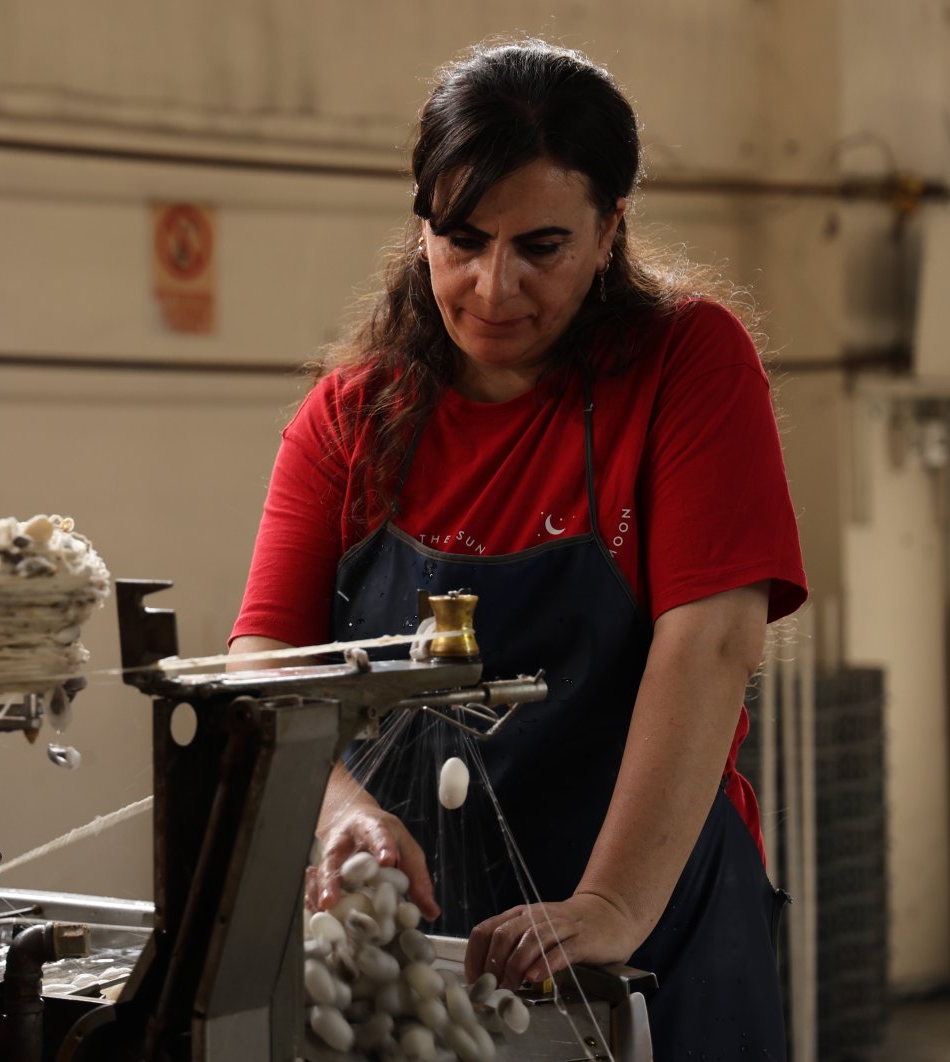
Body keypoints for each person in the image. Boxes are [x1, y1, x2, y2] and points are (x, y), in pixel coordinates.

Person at [229, 40, 806, 1057]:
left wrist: (612, 904)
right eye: (460, 240)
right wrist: (343, 818)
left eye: (541, 246)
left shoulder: (685, 363)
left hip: (651, 918)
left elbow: (711, 641)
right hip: (428, 938)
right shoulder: (349, 420)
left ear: (609, 229)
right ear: (421, 228)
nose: (493, 287)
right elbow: (265, 663)